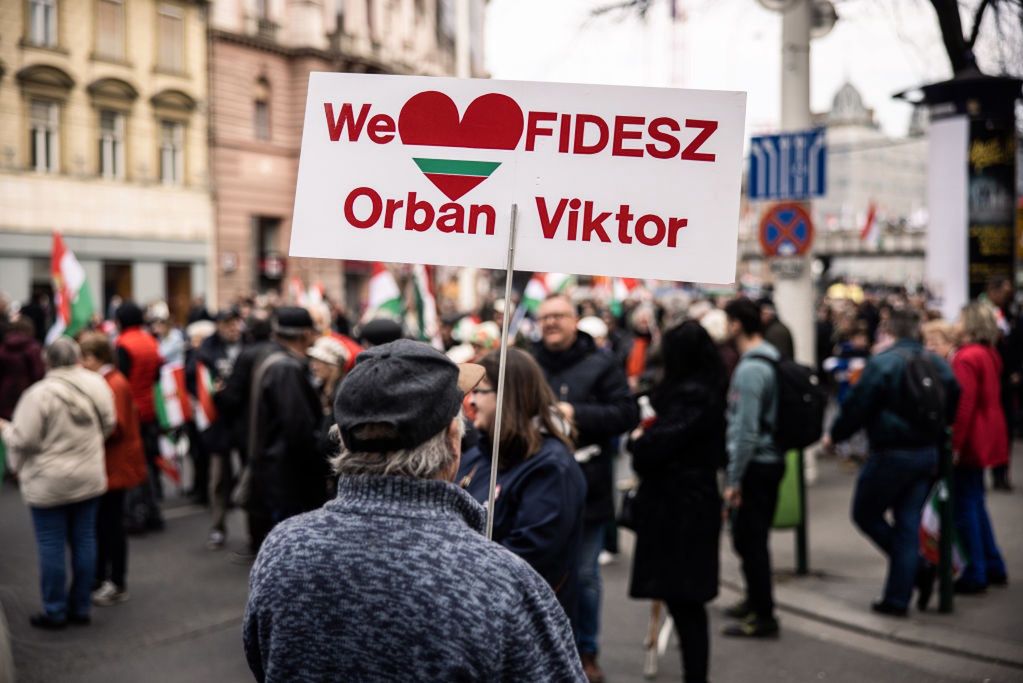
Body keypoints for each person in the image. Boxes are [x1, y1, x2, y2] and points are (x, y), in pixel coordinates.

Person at [243, 339, 585, 682]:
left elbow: (262, 660)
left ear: (345, 441)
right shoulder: (502, 581)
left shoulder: (283, 549)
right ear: (453, 440)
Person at [825, 309, 959, 616]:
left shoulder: (883, 364)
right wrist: (942, 426)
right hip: (927, 453)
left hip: (891, 453)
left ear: (888, 333)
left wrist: (835, 436)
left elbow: (857, 405)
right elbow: (954, 390)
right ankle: (901, 593)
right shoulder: (935, 362)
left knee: (864, 513)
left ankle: (916, 572)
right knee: (908, 523)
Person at [533, 293, 639, 682]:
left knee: (584, 575)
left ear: (575, 319)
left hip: (587, 484)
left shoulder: (601, 362)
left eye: (559, 316)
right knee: (536, 573)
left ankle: (586, 651)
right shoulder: (526, 361)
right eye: (545, 317)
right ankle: (539, 651)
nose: (551, 323)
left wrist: (578, 413)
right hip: (535, 484)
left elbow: (627, 413)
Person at [627, 321, 725, 683]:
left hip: (679, 509)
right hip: (686, 504)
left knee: (685, 600)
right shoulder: (703, 390)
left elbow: (654, 447)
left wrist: (639, 442)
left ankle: (696, 676)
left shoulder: (691, 396)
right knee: (684, 599)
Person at [457, 348, 587, 618]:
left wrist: (454, 571)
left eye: (481, 391)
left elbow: (526, 557)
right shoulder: (479, 454)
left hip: (519, 623)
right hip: (473, 612)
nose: (471, 401)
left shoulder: (550, 468)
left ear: (508, 396)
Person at [0, 338, 115, 629]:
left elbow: (24, 439)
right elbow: (109, 424)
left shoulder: (38, 395)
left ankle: (55, 610)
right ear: (77, 357)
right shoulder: (97, 384)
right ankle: (81, 606)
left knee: (51, 544)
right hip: (88, 475)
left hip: (48, 482)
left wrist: (5, 429)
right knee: (85, 540)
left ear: (47, 361)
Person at [721, 297, 784, 638]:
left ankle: (764, 614)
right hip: (767, 462)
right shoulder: (769, 356)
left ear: (736, 325)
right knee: (750, 540)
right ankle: (755, 601)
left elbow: (745, 431)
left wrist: (734, 479)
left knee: (751, 541)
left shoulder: (750, 369)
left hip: (755, 466)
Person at [246, 307, 326, 552]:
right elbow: (298, 430)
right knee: (290, 546)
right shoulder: (287, 368)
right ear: (305, 335)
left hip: (272, 469)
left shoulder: (272, 359)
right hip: (285, 475)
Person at [79, 332, 148, 606]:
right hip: (113, 463)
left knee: (111, 526)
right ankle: (104, 578)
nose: (82, 363)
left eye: (85, 358)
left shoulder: (114, 383)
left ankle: (116, 582)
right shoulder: (111, 380)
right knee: (105, 524)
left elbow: (116, 426)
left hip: (115, 464)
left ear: (97, 358)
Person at [949, 303, 1009, 593]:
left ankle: (976, 571)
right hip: (990, 432)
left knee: (965, 506)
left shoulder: (965, 358)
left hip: (972, 437)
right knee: (976, 501)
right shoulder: (989, 354)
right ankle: (992, 563)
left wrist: (954, 444)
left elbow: (963, 404)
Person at [193, 309, 244, 550]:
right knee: (217, 480)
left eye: (235, 322)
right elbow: (196, 377)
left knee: (251, 475)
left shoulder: (249, 343)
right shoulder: (208, 348)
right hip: (218, 423)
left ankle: (256, 530)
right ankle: (218, 527)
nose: (233, 328)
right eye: (227, 324)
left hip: (245, 419)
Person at [115, 301, 165, 533]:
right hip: (150, 410)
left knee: (134, 465)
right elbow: (156, 376)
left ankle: (136, 517)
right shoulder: (151, 341)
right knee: (150, 464)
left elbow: (121, 381)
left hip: (132, 412)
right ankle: (154, 513)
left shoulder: (123, 344)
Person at [0, 317, 45, 422]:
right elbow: (38, 374)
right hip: (27, 395)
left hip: (4, 396)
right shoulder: (34, 348)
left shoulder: (3, 348)